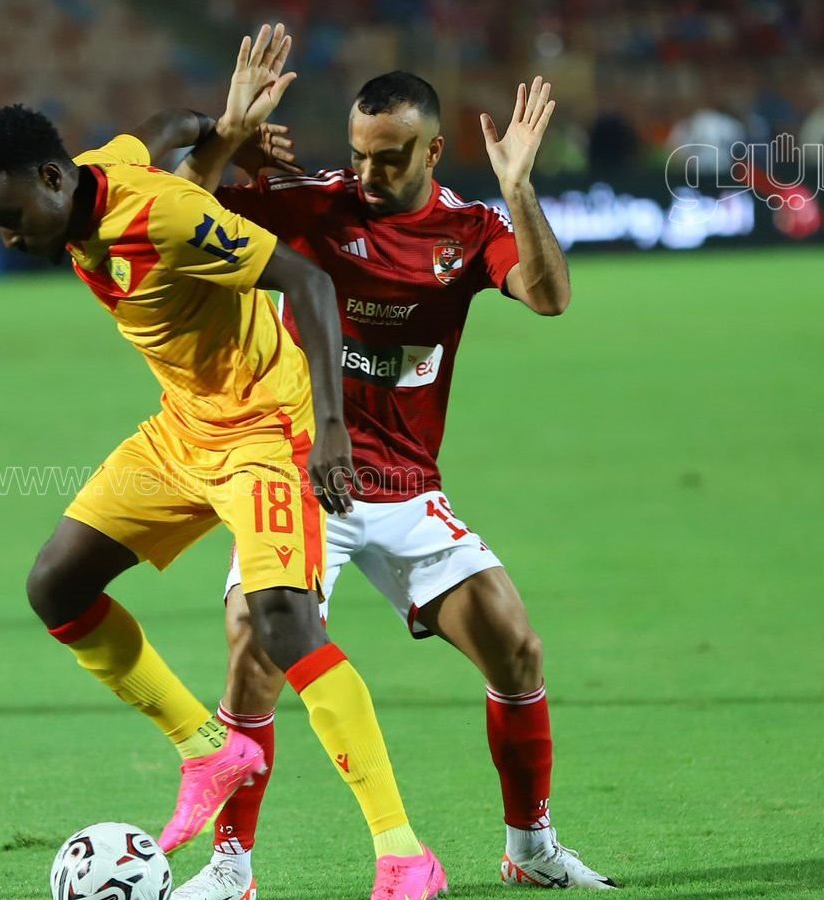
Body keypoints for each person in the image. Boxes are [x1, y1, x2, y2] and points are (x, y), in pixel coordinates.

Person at [0, 24, 446, 900]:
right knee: (56, 586)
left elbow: (310, 283)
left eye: (13, 218)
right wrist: (225, 130)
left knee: (284, 624)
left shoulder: (166, 219)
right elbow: (166, 125)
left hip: (265, 431)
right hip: (184, 429)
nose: (11, 239)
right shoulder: (98, 170)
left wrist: (332, 429)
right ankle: (207, 748)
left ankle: (404, 853)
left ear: (53, 180)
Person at [168, 67, 619, 896]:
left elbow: (550, 297)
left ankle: (530, 849)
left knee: (516, 647)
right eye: (359, 155)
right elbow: (175, 215)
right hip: (300, 477)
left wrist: (519, 189)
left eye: (390, 157)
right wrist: (226, 140)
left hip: (407, 486)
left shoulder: (470, 228)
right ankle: (230, 867)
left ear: (433, 151)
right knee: (253, 645)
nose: (369, 174)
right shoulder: (313, 205)